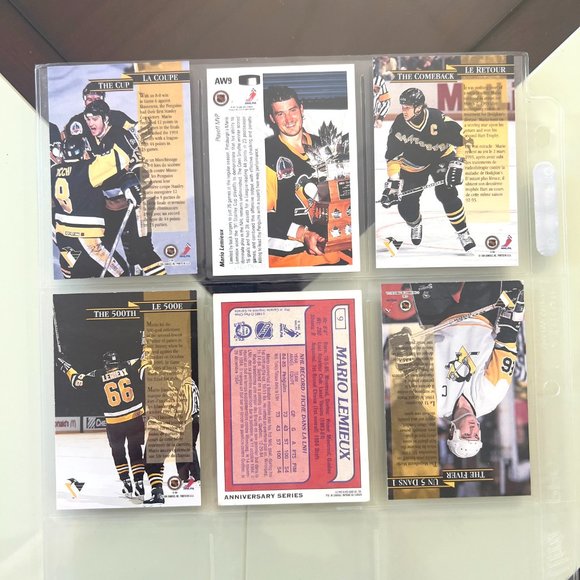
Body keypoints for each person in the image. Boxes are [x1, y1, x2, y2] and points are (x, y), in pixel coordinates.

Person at [388, 281, 524, 458]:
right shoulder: (490, 398)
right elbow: (506, 347)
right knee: (485, 265)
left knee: (420, 269)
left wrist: (403, 350)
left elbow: (412, 369)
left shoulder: (435, 405)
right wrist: (513, 314)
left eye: (467, 435)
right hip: (481, 316)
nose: (473, 430)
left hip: (438, 321)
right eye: (476, 436)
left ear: (453, 432)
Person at [264, 85, 351, 268]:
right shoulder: (267, 155)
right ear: (272, 118)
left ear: (301, 109)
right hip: (290, 259)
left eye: (292, 110)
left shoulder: (325, 146)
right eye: (280, 114)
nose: (289, 119)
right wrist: (302, 234)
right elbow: (261, 216)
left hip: (332, 253)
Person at [380, 87, 475, 251]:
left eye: (407, 107)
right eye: (403, 107)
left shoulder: (437, 118)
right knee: (406, 206)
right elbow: (392, 157)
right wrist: (394, 183)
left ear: (418, 108)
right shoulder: (399, 125)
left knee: (447, 194)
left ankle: (463, 233)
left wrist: (458, 163)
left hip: (441, 158)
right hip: (413, 165)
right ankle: (415, 224)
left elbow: (465, 139)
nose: (404, 111)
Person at [83, 99, 166, 276]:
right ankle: (135, 282)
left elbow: (139, 164)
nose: (90, 123)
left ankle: (163, 285)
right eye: (88, 119)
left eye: (95, 119)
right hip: (113, 205)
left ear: (105, 119)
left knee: (142, 250)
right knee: (119, 251)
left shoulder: (120, 136)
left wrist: (133, 182)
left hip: (136, 201)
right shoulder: (92, 140)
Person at [57, 351, 147, 498]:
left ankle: (126, 483)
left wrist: (64, 365)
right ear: (118, 362)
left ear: (105, 364)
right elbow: (143, 358)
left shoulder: (97, 376)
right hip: (135, 418)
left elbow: (76, 380)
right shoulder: (128, 366)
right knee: (135, 450)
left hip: (114, 422)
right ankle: (139, 484)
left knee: (118, 452)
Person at [52, 135, 130, 278]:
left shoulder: (53, 171)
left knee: (74, 280)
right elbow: (121, 157)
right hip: (86, 240)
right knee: (122, 274)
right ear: (83, 151)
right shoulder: (88, 168)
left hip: (64, 241)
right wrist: (130, 135)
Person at [143, 362, 200, 504]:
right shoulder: (181, 383)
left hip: (171, 425)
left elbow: (187, 409)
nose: (177, 371)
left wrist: (183, 425)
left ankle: (194, 477)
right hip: (176, 426)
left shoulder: (185, 384)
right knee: (160, 459)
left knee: (152, 460)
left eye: (180, 369)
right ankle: (162, 489)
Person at [63, 83, 137, 152]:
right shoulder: (77, 122)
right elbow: (64, 139)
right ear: (84, 101)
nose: (93, 102)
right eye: (89, 99)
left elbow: (136, 132)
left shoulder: (117, 116)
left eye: (97, 99)